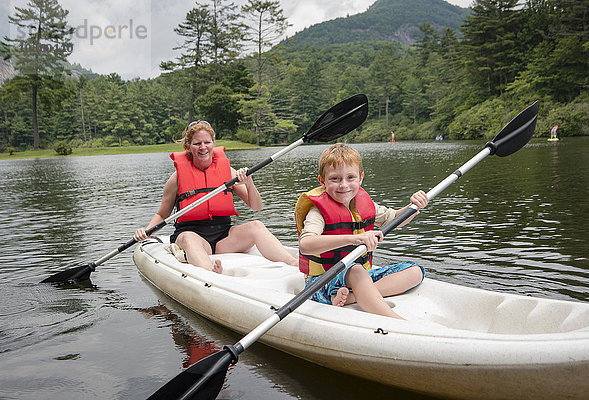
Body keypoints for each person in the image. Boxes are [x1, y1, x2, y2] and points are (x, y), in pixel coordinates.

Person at [134, 120, 298, 273]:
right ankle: (210, 274)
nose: (203, 147)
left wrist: (249, 183)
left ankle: (293, 264)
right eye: (197, 143)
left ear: (213, 143)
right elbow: (163, 214)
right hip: (194, 237)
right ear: (188, 146)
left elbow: (256, 206)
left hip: (223, 239)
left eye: (207, 142)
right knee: (188, 238)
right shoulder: (176, 178)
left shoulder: (229, 172)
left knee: (256, 226)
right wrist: (147, 231)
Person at [295, 143, 429, 320]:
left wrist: (413, 207)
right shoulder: (317, 212)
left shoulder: (364, 205)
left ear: (360, 178)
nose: (344, 185)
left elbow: (395, 219)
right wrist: (354, 239)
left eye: (350, 177)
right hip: (323, 282)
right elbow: (306, 245)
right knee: (357, 270)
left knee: (415, 271)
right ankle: (397, 322)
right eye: (335, 179)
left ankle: (352, 297)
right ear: (322, 181)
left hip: (358, 277)